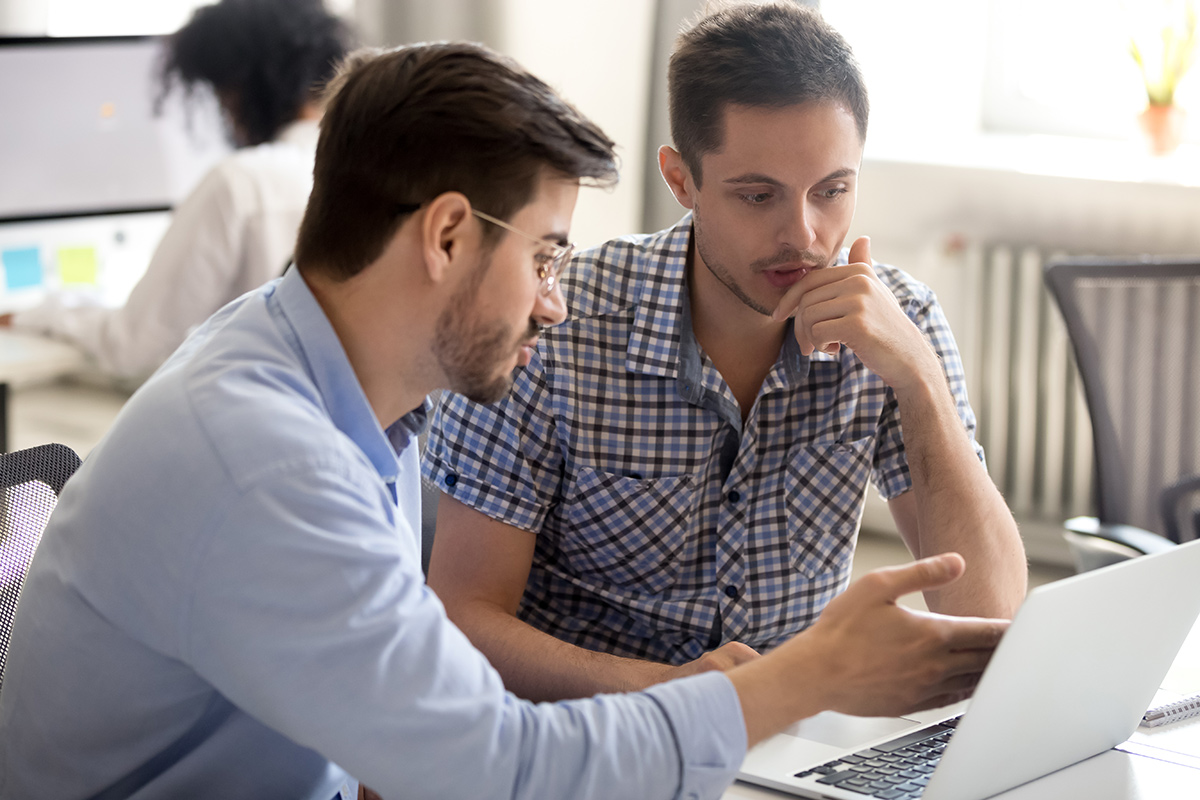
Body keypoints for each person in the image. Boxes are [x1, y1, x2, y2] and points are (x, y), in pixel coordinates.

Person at [0, 40, 1009, 800]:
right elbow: (489, 762)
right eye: (545, 256)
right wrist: (799, 681)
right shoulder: (268, 459)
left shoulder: (330, 388)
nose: (555, 301)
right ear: (445, 233)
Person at [422, 2, 1029, 702]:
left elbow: (990, 617)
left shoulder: (902, 321)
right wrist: (685, 698)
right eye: (758, 195)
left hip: (785, 748)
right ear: (682, 180)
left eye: (832, 190)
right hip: (589, 737)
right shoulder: (557, 328)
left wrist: (919, 378)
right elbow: (461, 619)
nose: (803, 234)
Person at [0, 0, 354, 380]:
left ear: (239, 88)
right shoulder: (362, 161)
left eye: (219, 97)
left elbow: (134, 343)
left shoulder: (241, 183)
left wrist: (40, 313)